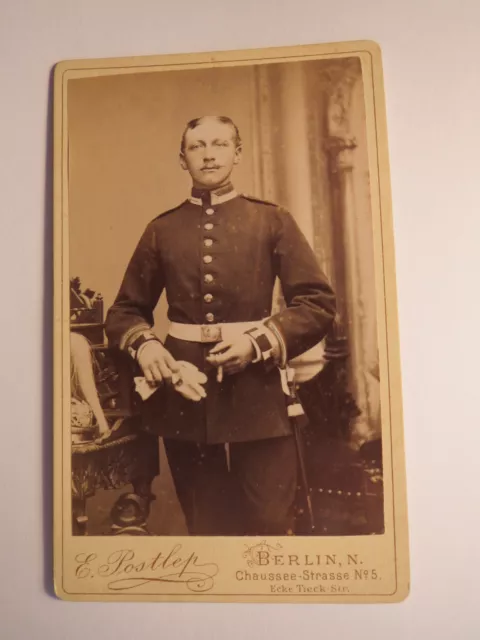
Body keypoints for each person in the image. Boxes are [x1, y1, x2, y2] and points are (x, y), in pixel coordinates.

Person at [105, 115, 336, 535]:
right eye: (196, 147)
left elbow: (317, 303)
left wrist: (259, 341)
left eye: (219, 144)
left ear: (237, 153)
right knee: (208, 525)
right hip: (184, 391)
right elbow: (124, 312)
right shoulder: (162, 229)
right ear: (182, 159)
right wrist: (148, 347)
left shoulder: (272, 220)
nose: (208, 154)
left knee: (269, 521)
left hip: (259, 389)